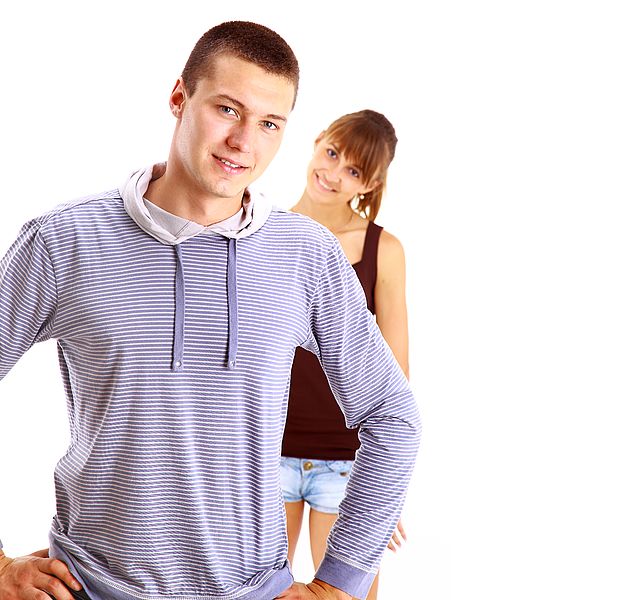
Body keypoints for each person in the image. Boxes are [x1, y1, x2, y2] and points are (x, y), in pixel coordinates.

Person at [0, 21, 420, 600]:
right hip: (89, 587)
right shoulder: (65, 240)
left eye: (269, 124)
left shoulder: (305, 255)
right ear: (179, 98)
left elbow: (392, 416)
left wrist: (338, 583)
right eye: (228, 109)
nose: (244, 141)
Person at [280, 110, 407, 600]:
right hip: (266, 449)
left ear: (370, 182)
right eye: (331, 153)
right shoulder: (264, 232)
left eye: (352, 170)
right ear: (315, 144)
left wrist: (386, 487)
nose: (333, 174)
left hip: (347, 459)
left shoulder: (383, 250)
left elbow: (395, 374)